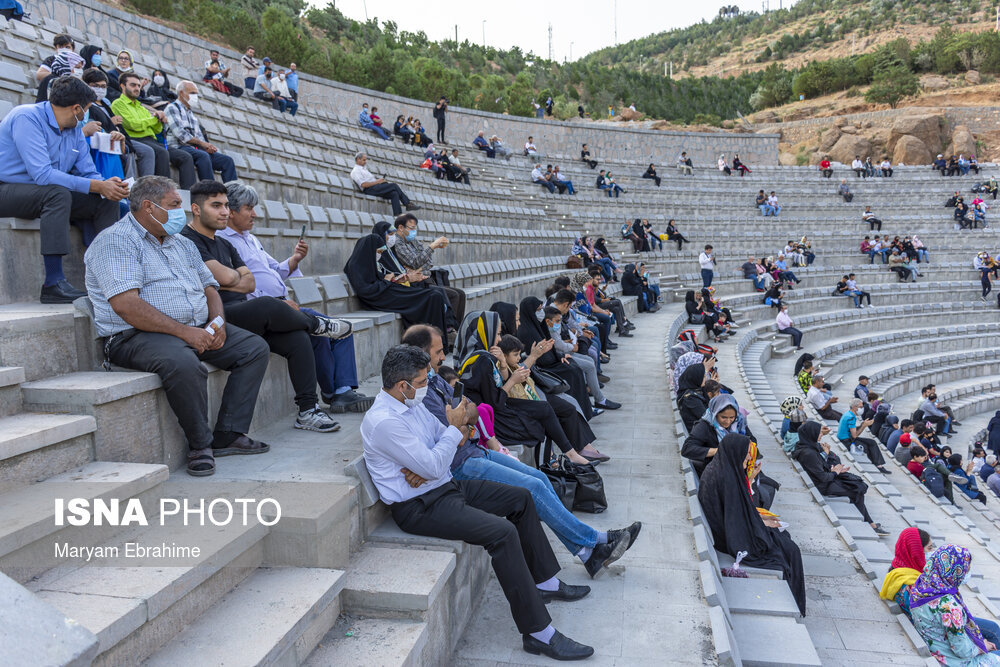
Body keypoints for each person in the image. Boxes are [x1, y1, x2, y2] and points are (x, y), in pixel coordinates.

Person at [360, 345, 595, 661]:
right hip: (420, 506)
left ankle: (547, 582)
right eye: (421, 381)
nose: (426, 385)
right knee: (502, 533)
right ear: (402, 385)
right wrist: (442, 447)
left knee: (521, 498)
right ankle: (539, 633)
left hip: (444, 486)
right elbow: (442, 448)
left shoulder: (409, 405)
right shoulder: (384, 421)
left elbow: (448, 441)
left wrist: (439, 450)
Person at [402, 324, 641, 576]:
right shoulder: (419, 392)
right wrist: (462, 424)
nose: (443, 357)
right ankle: (593, 544)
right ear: (420, 352)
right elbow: (455, 437)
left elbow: (472, 410)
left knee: (538, 477)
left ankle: (590, 548)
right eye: (438, 351)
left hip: (473, 451)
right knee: (533, 487)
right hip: (460, 465)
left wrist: (462, 421)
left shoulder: (434, 377)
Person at [84, 176, 272, 476]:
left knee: (253, 348)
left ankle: (229, 433)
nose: (179, 213)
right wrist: (187, 333)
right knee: (184, 362)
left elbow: (210, 286)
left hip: (193, 326)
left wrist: (217, 322)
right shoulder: (115, 241)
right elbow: (126, 306)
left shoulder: (181, 243)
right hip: (132, 336)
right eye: (173, 205)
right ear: (148, 207)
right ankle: (201, 445)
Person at [180, 180, 347, 433]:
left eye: (226, 205)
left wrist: (231, 280)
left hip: (243, 312)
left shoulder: (225, 244)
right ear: (196, 208)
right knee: (268, 305)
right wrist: (232, 279)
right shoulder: (187, 241)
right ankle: (317, 324)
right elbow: (228, 280)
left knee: (297, 338)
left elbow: (247, 283)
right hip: (215, 316)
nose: (224, 211)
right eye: (217, 206)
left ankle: (307, 410)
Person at [218, 182, 372, 413]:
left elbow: (274, 270)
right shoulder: (224, 241)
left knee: (335, 330)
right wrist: (277, 304)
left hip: (280, 305)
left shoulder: (250, 238)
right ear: (231, 211)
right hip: (265, 310)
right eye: (249, 208)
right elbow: (236, 286)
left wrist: (295, 259)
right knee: (328, 330)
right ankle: (336, 392)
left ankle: (340, 391)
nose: (254, 214)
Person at [0, 76, 126, 303]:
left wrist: (107, 187)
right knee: (57, 193)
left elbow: (88, 173)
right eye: (86, 110)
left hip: (43, 192)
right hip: (7, 190)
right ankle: (53, 283)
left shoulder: (74, 130)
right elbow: (43, 175)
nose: (85, 117)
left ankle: (109, 277)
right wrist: (97, 185)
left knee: (105, 200)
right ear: (77, 108)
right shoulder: (27, 117)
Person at [454, 312, 609, 463]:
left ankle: (571, 453)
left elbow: (498, 386)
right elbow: (496, 402)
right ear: (484, 332)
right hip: (496, 416)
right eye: (497, 334)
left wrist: (502, 364)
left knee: (551, 408)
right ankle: (565, 455)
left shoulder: (484, 356)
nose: (499, 339)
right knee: (543, 416)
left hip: (499, 404)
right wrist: (513, 379)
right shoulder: (481, 361)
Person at [698, 433, 806, 616]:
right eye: (746, 453)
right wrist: (762, 526)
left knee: (784, 540)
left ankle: (797, 603)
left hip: (728, 529)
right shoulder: (725, 478)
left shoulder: (724, 470)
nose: (749, 458)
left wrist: (762, 521)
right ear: (735, 453)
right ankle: (797, 605)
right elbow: (735, 522)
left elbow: (738, 512)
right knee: (788, 551)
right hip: (727, 538)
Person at [343, 225, 450, 339]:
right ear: (370, 249)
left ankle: (438, 339)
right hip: (378, 298)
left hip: (386, 292)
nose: (380, 254)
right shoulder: (356, 266)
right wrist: (387, 281)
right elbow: (366, 290)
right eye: (379, 251)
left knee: (435, 295)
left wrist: (397, 280)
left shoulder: (369, 262)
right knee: (432, 297)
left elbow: (379, 279)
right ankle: (428, 340)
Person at [793, 421, 889, 536]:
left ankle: (869, 522)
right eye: (819, 432)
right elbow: (823, 477)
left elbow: (834, 460)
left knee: (857, 484)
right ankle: (870, 524)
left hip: (826, 479)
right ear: (811, 433)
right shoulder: (809, 453)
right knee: (857, 489)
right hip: (823, 485)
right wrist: (835, 472)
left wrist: (835, 469)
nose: (821, 435)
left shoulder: (808, 445)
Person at [909, 545, 1000, 664]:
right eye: (964, 569)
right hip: (954, 662)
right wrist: (983, 647)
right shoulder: (949, 607)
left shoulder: (922, 585)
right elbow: (963, 651)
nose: (965, 573)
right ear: (954, 570)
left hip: (937, 648)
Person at [112, 72, 199, 189]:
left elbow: (156, 129)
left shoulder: (140, 106)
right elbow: (134, 125)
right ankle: (162, 191)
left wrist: (159, 120)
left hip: (150, 139)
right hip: (135, 138)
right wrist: (155, 118)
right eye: (133, 85)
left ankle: (190, 194)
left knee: (186, 157)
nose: (137, 88)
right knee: (161, 152)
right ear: (123, 86)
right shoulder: (118, 104)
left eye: (138, 85)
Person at [515, 297, 594, 422]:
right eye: (538, 309)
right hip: (542, 367)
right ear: (530, 311)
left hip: (551, 361)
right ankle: (579, 412)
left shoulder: (537, 325)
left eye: (541, 309)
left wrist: (561, 356)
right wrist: (556, 358)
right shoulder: (526, 331)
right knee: (572, 371)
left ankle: (585, 410)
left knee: (573, 366)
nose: (541, 312)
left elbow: (549, 346)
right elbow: (537, 357)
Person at [381, 213, 466, 326]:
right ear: (401, 227)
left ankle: (457, 328)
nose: (413, 231)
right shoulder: (397, 243)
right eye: (411, 228)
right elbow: (415, 262)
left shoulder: (413, 241)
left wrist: (417, 265)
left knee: (461, 293)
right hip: (415, 283)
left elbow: (428, 263)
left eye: (415, 228)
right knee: (453, 295)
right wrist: (432, 247)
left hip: (425, 278)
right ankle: (449, 329)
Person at [164, 81, 238, 184]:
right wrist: (202, 144)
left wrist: (207, 147)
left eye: (196, 93)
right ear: (181, 93)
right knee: (203, 156)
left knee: (227, 161)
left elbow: (199, 136)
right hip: (178, 147)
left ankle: (233, 194)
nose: (195, 96)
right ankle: (209, 192)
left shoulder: (191, 113)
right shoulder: (172, 108)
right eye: (192, 93)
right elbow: (180, 134)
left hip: (194, 148)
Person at [682, 394, 753, 477]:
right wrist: (719, 451)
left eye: (731, 417)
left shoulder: (738, 422)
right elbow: (687, 449)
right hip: (716, 473)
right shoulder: (705, 426)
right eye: (723, 417)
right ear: (715, 414)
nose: (728, 421)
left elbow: (752, 439)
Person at [878, 528, 933, 617]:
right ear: (916, 552)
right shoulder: (911, 584)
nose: (932, 552)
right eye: (929, 548)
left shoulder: (897, 569)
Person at [351, 152, 420, 216]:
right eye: (364, 160)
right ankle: (407, 204)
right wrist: (378, 182)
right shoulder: (356, 171)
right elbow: (363, 185)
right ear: (358, 159)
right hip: (369, 189)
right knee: (394, 186)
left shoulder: (364, 169)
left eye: (365, 160)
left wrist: (380, 181)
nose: (365, 162)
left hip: (375, 187)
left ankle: (398, 215)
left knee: (394, 193)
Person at [838, 398, 889, 473]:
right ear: (854, 407)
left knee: (872, 442)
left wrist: (862, 424)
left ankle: (878, 465)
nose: (862, 409)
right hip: (846, 441)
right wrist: (864, 426)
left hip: (848, 437)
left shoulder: (848, 414)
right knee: (867, 447)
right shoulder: (851, 417)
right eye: (860, 407)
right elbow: (855, 435)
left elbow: (853, 430)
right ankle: (877, 465)